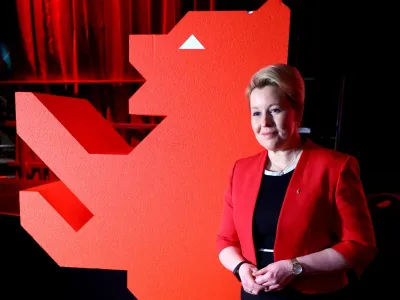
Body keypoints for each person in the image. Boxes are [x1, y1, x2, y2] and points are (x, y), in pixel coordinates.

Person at [216, 64, 376, 299]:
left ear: (297, 112)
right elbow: (225, 240)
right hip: (255, 294)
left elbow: (360, 245)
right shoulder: (241, 170)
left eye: (275, 110)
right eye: (256, 112)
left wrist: (293, 267)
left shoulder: (336, 167)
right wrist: (240, 268)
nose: (265, 123)